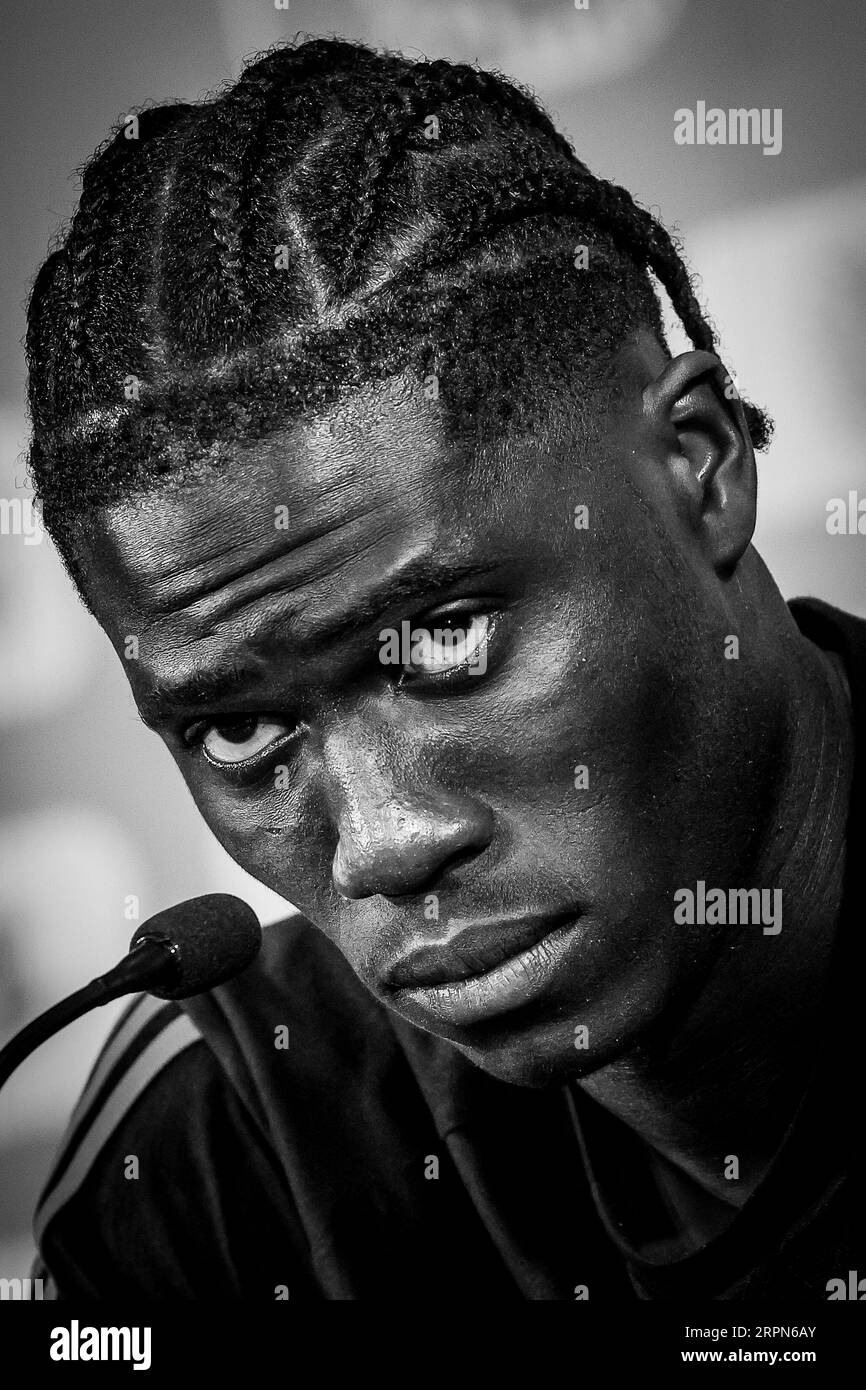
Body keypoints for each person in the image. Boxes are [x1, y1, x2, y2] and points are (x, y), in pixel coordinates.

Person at [25, 37, 862, 1300]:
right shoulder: (225, 1152)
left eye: (443, 640)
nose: (382, 844)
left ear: (697, 467)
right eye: (239, 731)